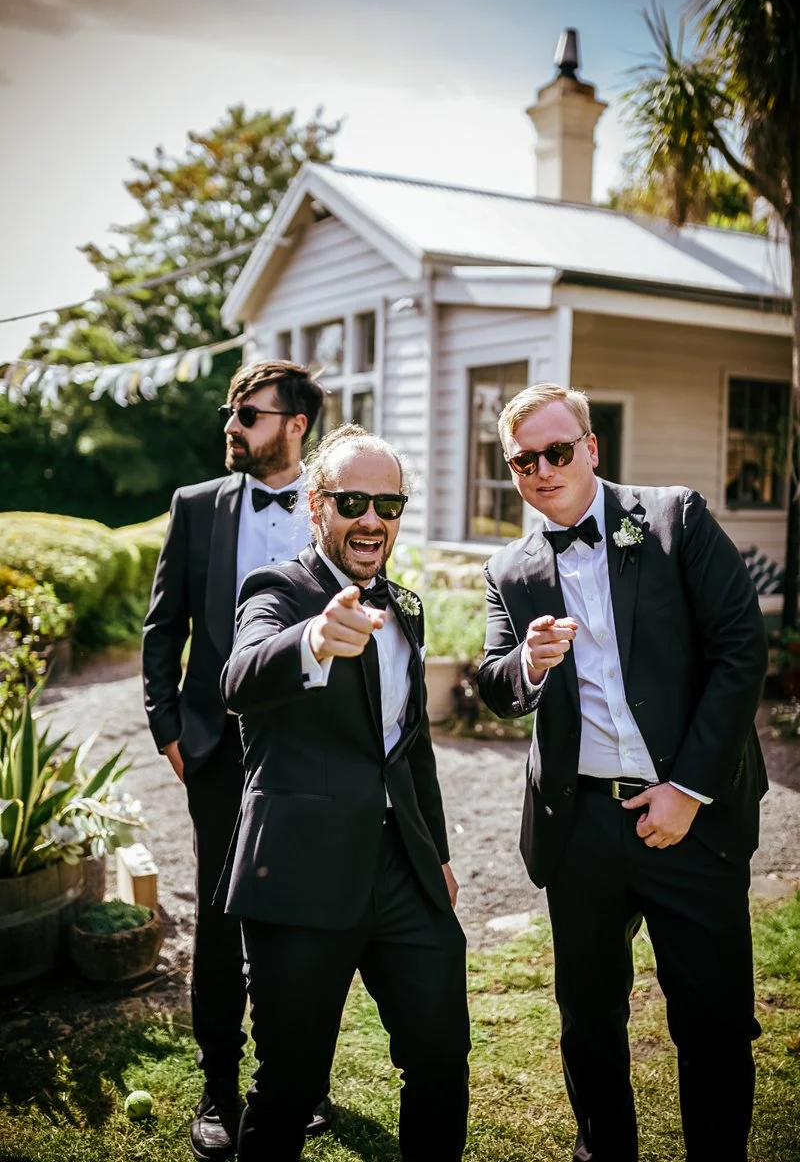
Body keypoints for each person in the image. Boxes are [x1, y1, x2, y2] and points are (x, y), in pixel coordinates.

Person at [477, 382, 768, 1162]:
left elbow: (741, 651)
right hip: (581, 828)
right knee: (589, 1019)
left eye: (557, 451)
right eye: (524, 461)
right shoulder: (508, 569)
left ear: (591, 448)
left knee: (713, 1022)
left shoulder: (675, 518)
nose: (542, 470)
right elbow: (494, 684)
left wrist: (689, 790)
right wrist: (528, 665)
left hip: (692, 818)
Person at [219, 423, 471, 1161]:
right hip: (299, 870)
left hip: (403, 869)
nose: (372, 520)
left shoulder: (405, 608)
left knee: (440, 1057)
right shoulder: (277, 589)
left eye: (388, 505)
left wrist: (437, 853)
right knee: (289, 1084)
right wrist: (313, 642)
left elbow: (410, 747)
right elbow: (237, 679)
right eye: (353, 501)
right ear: (316, 503)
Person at [142, 359, 328, 1160]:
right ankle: (218, 1087)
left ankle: (299, 1080)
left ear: (296, 425)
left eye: (249, 414)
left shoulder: (336, 503)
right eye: (230, 411)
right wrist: (168, 727)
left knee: (308, 917)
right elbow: (163, 627)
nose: (231, 425)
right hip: (218, 749)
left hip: (314, 747)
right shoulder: (196, 506)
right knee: (221, 922)